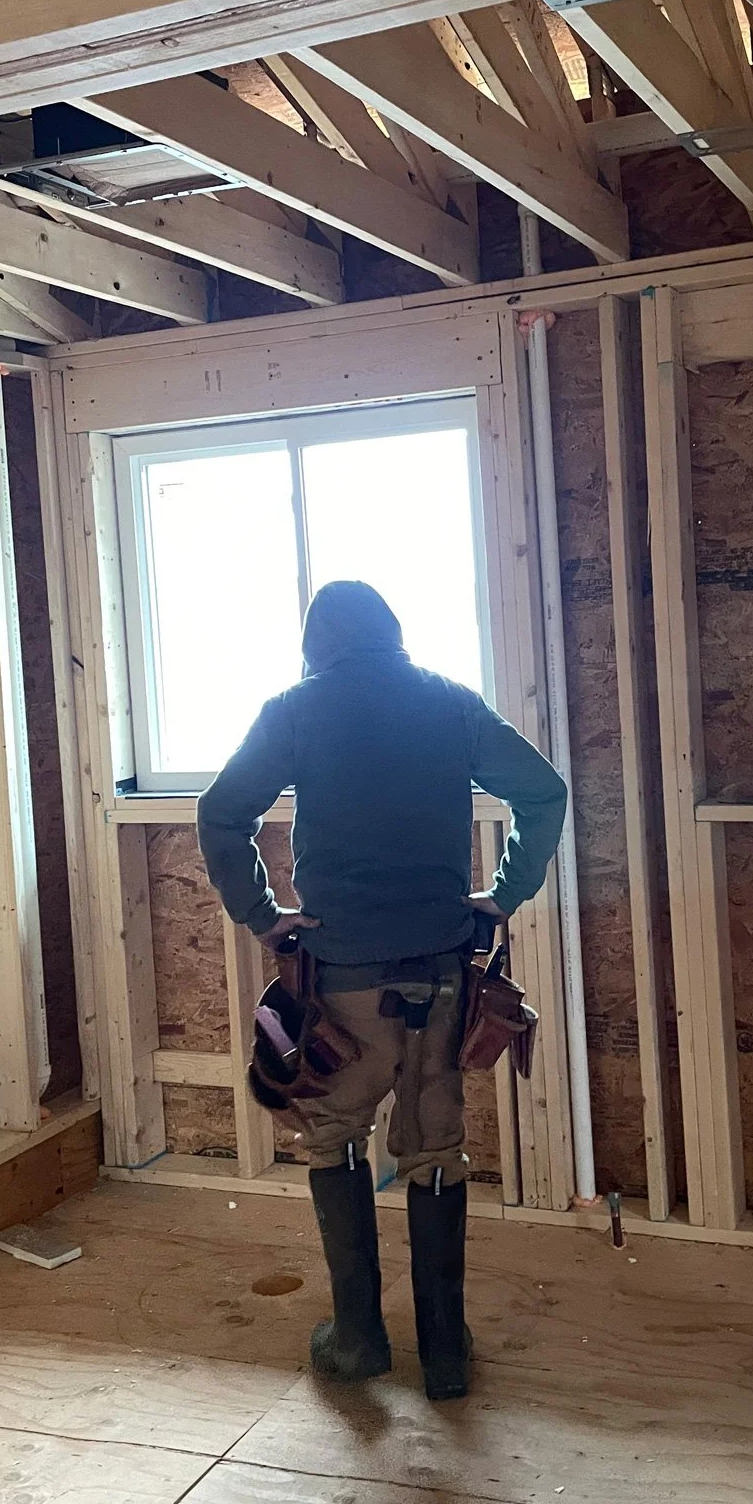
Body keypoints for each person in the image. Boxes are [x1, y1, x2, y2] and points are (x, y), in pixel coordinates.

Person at [197, 579, 567, 1402]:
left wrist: (263, 916)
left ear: (316, 645)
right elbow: (544, 792)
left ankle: (359, 1340)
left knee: (333, 1138)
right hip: (441, 973)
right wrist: (505, 894)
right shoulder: (451, 703)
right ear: (393, 634)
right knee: (436, 1150)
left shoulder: (294, 710)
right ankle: (445, 1353)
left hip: (341, 978)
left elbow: (221, 814)